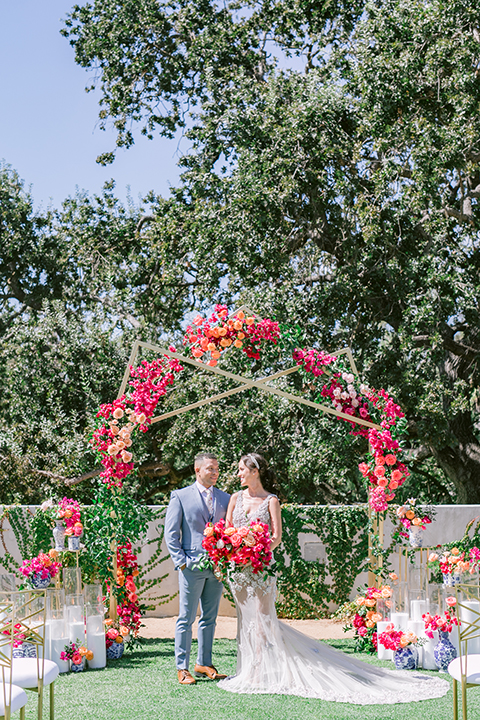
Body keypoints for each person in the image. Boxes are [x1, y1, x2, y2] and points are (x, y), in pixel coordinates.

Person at [218, 452, 449, 704]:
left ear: (255, 471)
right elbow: (227, 529)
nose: (238, 474)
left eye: (242, 469)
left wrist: (257, 552)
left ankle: (258, 671)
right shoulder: (235, 498)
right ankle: (248, 668)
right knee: (246, 619)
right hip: (238, 568)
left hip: (262, 567)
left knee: (263, 619)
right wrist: (233, 552)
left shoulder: (271, 501)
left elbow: (277, 537)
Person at [165, 452, 230, 685]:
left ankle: (204, 663)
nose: (215, 473)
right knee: (186, 618)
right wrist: (182, 562)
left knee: (210, 618)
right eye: (210, 469)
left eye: (217, 469)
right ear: (197, 470)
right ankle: (182, 667)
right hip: (190, 566)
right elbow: (171, 534)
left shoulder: (225, 498)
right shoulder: (180, 496)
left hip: (217, 568)